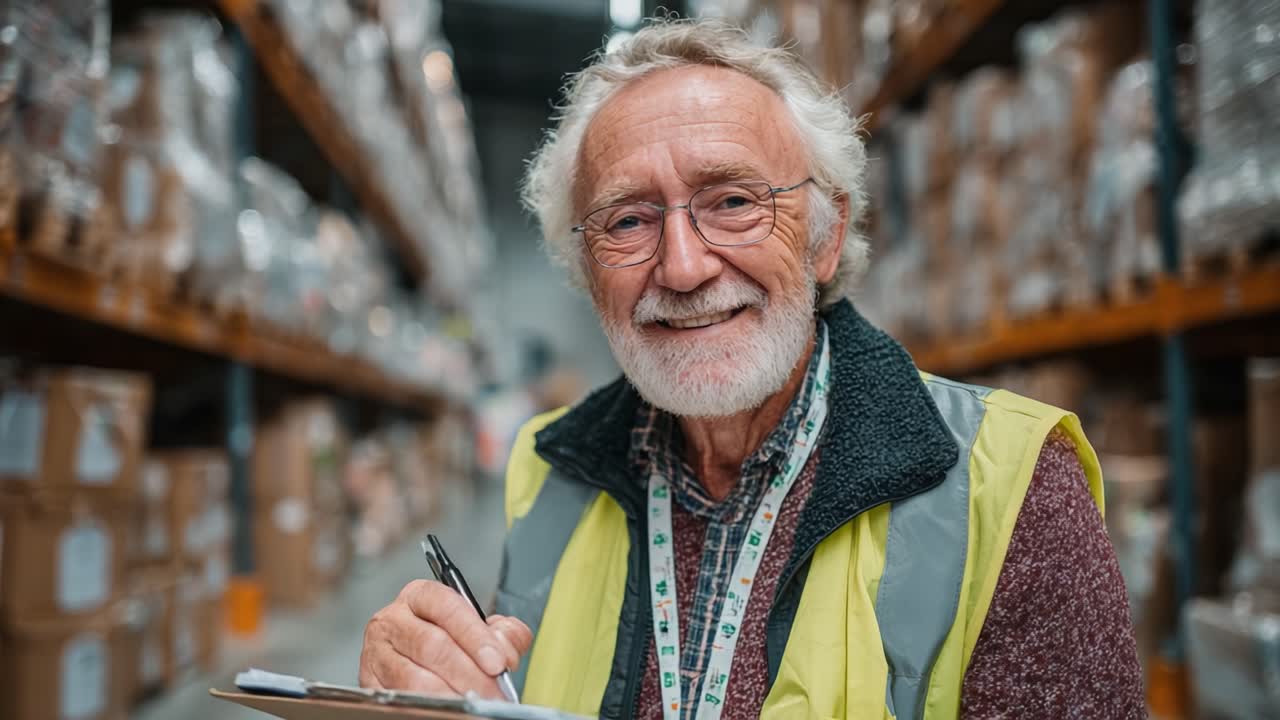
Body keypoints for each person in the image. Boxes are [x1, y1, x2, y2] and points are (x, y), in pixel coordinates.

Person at [359, 19, 1144, 719]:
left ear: (825, 237)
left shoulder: (1007, 490)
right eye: (628, 220)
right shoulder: (550, 472)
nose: (684, 265)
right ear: (586, 271)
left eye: (733, 202)